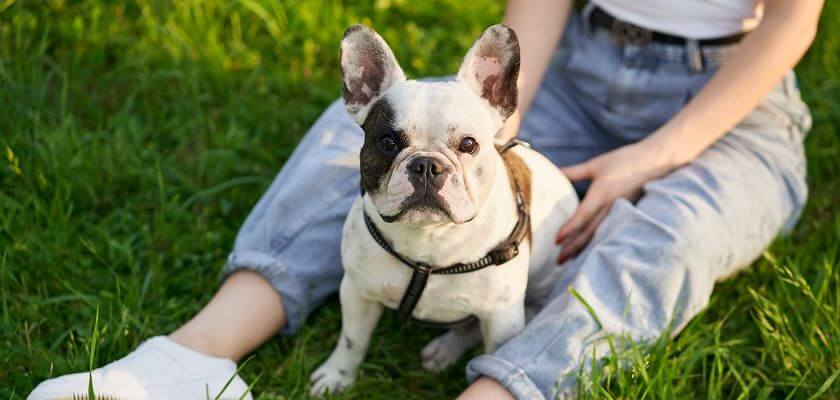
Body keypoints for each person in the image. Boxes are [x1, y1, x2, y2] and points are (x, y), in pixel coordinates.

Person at [28, 0, 823, 399]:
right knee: (393, 132)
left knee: (668, 239)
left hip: (734, 94)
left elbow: (793, 21)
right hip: (572, 56)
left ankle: (500, 390)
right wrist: (494, 126)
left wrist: (655, 157)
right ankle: (194, 357)